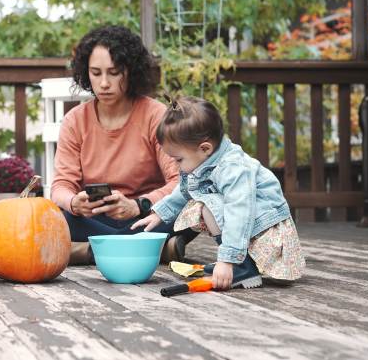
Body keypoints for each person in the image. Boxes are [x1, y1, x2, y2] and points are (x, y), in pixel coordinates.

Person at [51, 25, 195, 265]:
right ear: (86, 73)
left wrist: (138, 205)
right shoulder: (75, 120)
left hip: (147, 215)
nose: (104, 83)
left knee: (192, 209)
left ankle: (92, 252)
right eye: (96, 73)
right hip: (95, 218)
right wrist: (74, 203)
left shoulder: (155, 115)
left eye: (114, 72)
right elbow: (61, 186)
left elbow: (181, 182)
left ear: (130, 71)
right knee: (57, 217)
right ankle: (154, 250)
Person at [131, 95, 306, 290]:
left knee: (205, 205)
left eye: (179, 159)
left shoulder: (232, 167)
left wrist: (227, 260)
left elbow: (239, 213)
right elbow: (186, 190)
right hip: (249, 226)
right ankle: (241, 261)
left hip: (264, 228)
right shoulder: (206, 160)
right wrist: (160, 213)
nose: (177, 166)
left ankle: (241, 266)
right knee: (201, 202)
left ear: (205, 148)